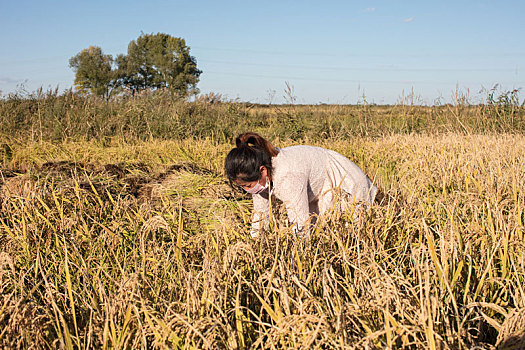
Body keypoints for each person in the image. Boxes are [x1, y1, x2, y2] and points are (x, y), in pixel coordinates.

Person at [224, 132, 377, 237]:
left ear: (263, 171)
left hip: (336, 177)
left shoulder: (289, 178)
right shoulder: (258, 171)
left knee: (346, 230)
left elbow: (301, 225)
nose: (247, 190)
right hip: (314, 174)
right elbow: (260, 215)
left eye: (248, 186)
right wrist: (254, 244)